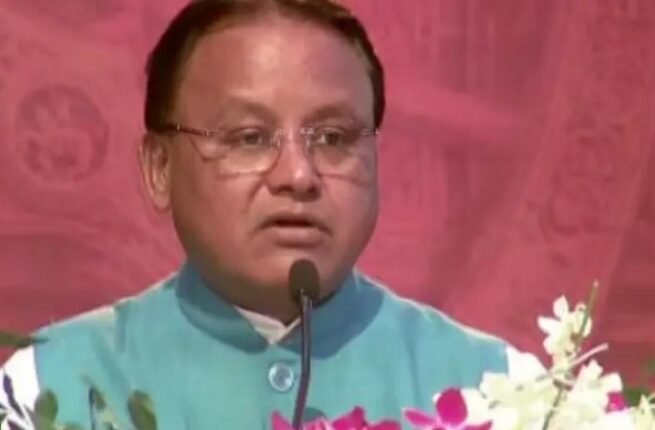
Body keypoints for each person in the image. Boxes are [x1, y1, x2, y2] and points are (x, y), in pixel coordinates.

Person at [0, 0, 509, 428]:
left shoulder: (501, 392)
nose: (298, 175)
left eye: (333, 138)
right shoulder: (46, 390)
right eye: (249, 138)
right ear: (159, 168)